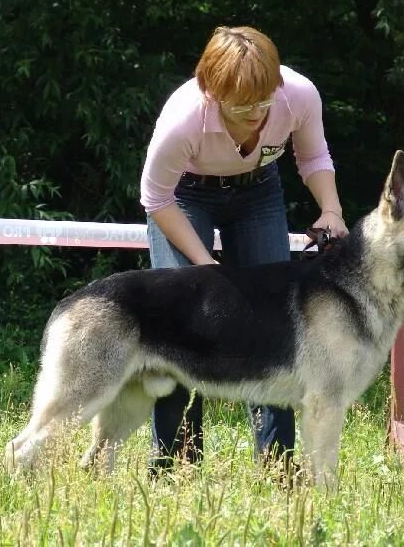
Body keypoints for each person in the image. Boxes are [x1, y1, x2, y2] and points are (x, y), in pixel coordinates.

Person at [140, 25, 348, 473]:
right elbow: (156, 198)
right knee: (180, 323)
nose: (255, 113)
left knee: (274, 325)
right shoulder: (183, 120)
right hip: (186, 195)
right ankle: (176, 466)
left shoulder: (299, 95)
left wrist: (331, 210)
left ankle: (277, 466)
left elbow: (312, 157)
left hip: (258, 192)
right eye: (241, 105)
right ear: (212, 93)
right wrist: (204, 267)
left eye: (263, 101)